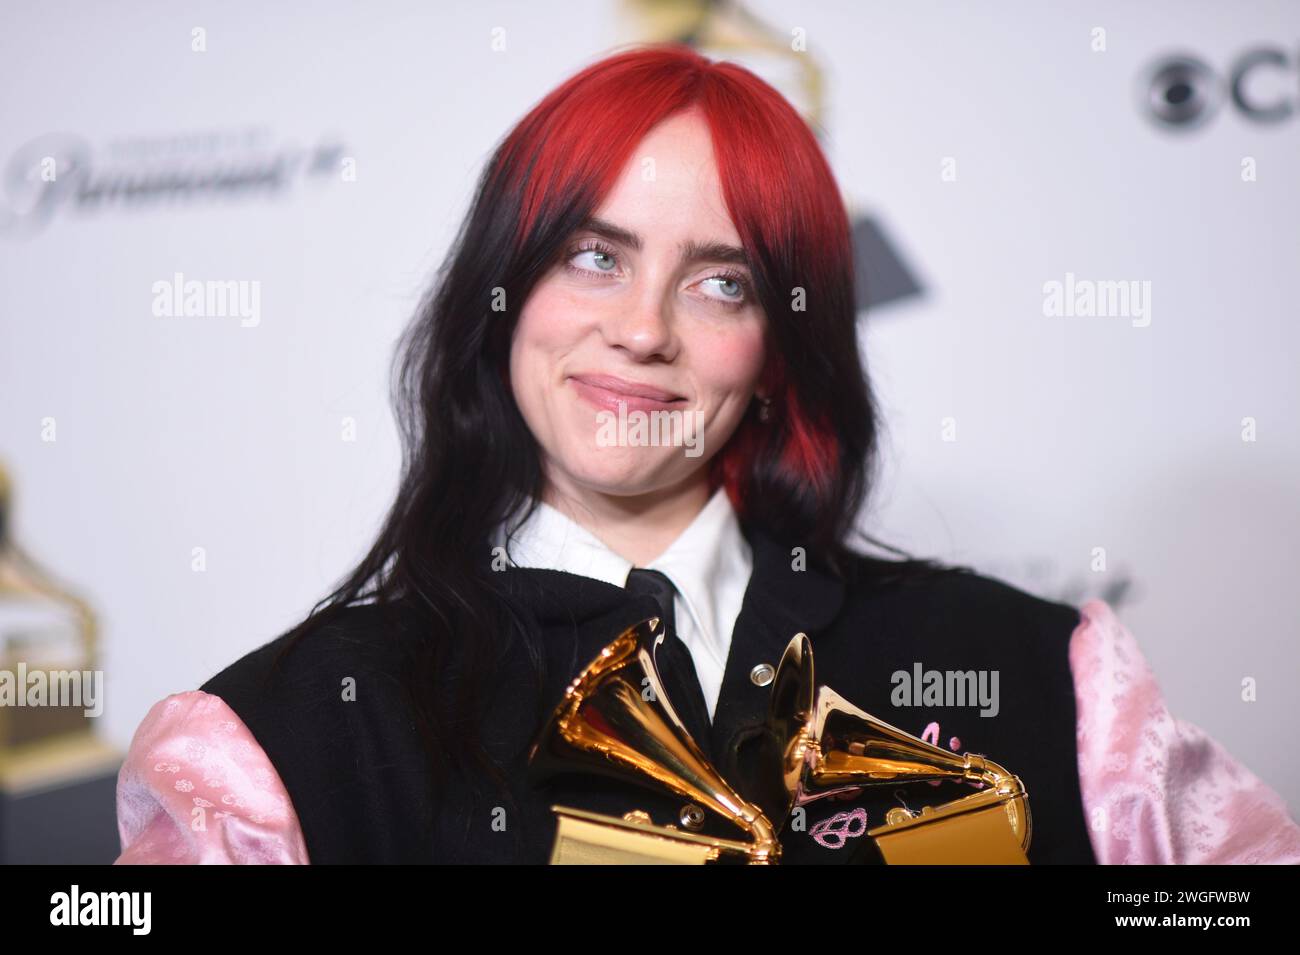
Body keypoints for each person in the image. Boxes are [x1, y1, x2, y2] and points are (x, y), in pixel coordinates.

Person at [113, 43, 1300, 865]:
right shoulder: (289, 735)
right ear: (503, 293)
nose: (641, 328)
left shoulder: (1041, 673)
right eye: (593, 255)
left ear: (781, 347)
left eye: (719, 280)